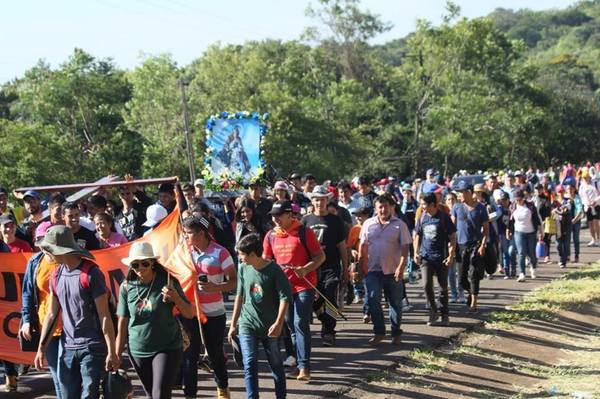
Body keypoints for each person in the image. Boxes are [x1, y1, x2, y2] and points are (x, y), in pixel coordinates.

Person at [34, 225, 119, 399]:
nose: (46, 253)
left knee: (88, 395)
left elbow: (104, 316)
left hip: (92, 347)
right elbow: (51, 314)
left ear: (61, 250)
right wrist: (41, 349)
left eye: (49, 249)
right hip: (67, 347)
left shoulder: (91, 273)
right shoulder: (56, 275)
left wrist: (112, 351)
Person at [115, 241, 193, 399]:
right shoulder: (126, 287)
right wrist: (116, 354)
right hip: (138, 349)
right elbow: (122, 323)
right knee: (151, 395)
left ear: (152, 263)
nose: (140, 268)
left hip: (167, 346)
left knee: (160, 395)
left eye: (145, 263)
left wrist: (175, 297)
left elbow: (190, 313)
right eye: (136, 265)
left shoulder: (168, 281)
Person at [263, 200, 325, 382]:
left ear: (290, 214)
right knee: (290, 325)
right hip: (282, 288)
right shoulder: (271, 236)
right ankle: (298, 364)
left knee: (300, 323)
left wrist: (305, 268)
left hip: (304, 285)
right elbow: (266, 260)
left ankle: (305, 366)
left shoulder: (305, 233)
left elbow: (321, 256)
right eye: (273, 216)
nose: (275, 220)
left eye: (279, 215)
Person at [228, 233, 292, 399]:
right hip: (247, 324)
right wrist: (233, 324)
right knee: (249, 363)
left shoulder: (274, 270)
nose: (240, 258)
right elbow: (239, 296)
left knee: (276, 365)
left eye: (242, 254)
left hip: (270, 327)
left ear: (253, 254)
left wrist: (279, 324)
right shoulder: (243, 268)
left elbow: (285, 298)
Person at [182, 216, 237, 399]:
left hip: (214, 313)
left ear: (201, 233)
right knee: (190, 355)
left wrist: (216, 287)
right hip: (191, 313)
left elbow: (234, 281)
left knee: (214, 354)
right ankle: (190, 394)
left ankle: (222, 387)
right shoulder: (185, 252)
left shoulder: (221, 253)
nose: (186, 236)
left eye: (189, 233)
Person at [359, 194, 412, 346]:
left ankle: (395, 333)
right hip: (373, 270)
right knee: (373, 300)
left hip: (393, 270)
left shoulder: (399, 225)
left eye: (386, 206)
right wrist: (361, 266)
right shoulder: (368, 224)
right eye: (380, 207)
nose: (383, 210)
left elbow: (405, 249)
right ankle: (379, 332)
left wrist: (401, 268)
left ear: (392, 207)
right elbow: (362, 246)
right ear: (376, 209)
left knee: (395, 303)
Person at [302, 186, 348, 347]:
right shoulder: (305, 221)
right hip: (311, 266)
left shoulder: (336, 221)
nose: (319, 202)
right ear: (312, 201)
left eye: (322, 199)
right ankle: (325, 321)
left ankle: (329, 332)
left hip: (331, 266)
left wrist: (346, 270)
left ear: (327, 201)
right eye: (316, 199)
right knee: (314, 302)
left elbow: (342, 246)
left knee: (329, 296)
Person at [413, 192, 456, 326]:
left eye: (424, 204)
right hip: (426, 257)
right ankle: (433, 311)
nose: (422, 206)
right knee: (426, 285)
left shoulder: (443, 218)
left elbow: (453, 237)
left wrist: (451, 255)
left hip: (441, 257)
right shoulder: (422, 217)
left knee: (443, 287)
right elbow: (418, 235)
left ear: (432, 204)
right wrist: (415, 252)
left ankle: (444, 314)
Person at [450, 181, 489, 312]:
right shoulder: (456, 207)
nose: (459, 195)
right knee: (461, 279)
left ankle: (474, 302)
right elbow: (452, 229)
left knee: (473, 275)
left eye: (460, 192)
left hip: (475, 245)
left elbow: (486, 229)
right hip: (460, 246)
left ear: (468, 192)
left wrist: (483, 245)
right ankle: (471, 293)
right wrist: (451, 246)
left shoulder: (481, 208)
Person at [509, 189, 542, 281]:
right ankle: (522, 273)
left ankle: (533, 268)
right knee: (521, 253)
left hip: (531, 232)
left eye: (519, 199)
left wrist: (540, 232)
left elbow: (536, 219)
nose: (518, 201)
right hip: (518, 232)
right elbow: (510, 220)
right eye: (516, 199)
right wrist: (509, 230)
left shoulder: (530, 206)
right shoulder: (513, 206)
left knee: (531, 253)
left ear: (523, 198)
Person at [579, 168, 600, 246]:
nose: (585, 179)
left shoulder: (595, 184)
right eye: (584, 177)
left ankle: (598, 239)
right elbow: (581, 197)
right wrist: (586, 203)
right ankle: (593, 239)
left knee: (596, 222)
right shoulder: (582, 186)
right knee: (590, 223)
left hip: (596, 205)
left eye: (587, 177)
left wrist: (595, 201)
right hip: (587, 207)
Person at [566, 182, 584, 263]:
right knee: (567, 239)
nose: (569, 190)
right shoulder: (565, 198)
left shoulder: (577, 198)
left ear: (573, 189)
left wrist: (575, 219)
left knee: (576, 239)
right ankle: (568, 256)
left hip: (576, 221)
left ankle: (576, 256)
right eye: (568, 189)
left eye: (570, 189)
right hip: (567, 221)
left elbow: (580, 210)